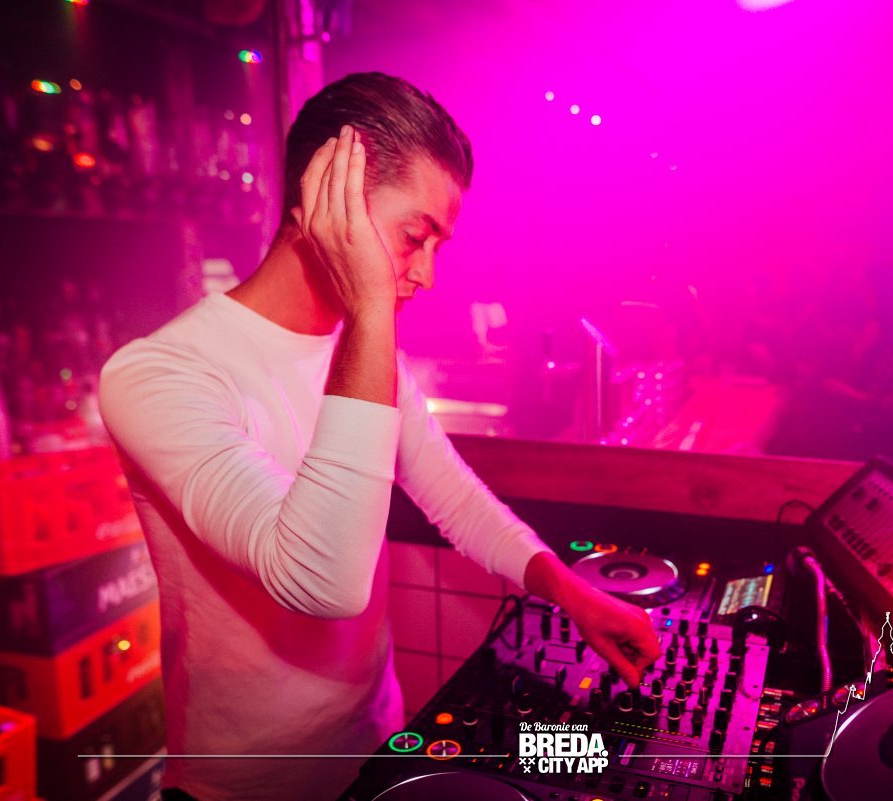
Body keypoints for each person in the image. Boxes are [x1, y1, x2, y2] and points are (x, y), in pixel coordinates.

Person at [98, 72, 661, 801]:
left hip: (375, 747)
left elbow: (453, 496)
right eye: (413, 237)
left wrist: (571, 593)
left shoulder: (370, 356)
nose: (427, 274)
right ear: (324, 197)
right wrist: (369, 306)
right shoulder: (159, 375)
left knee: (603, 768)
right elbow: (318, 580)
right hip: (244, 786)